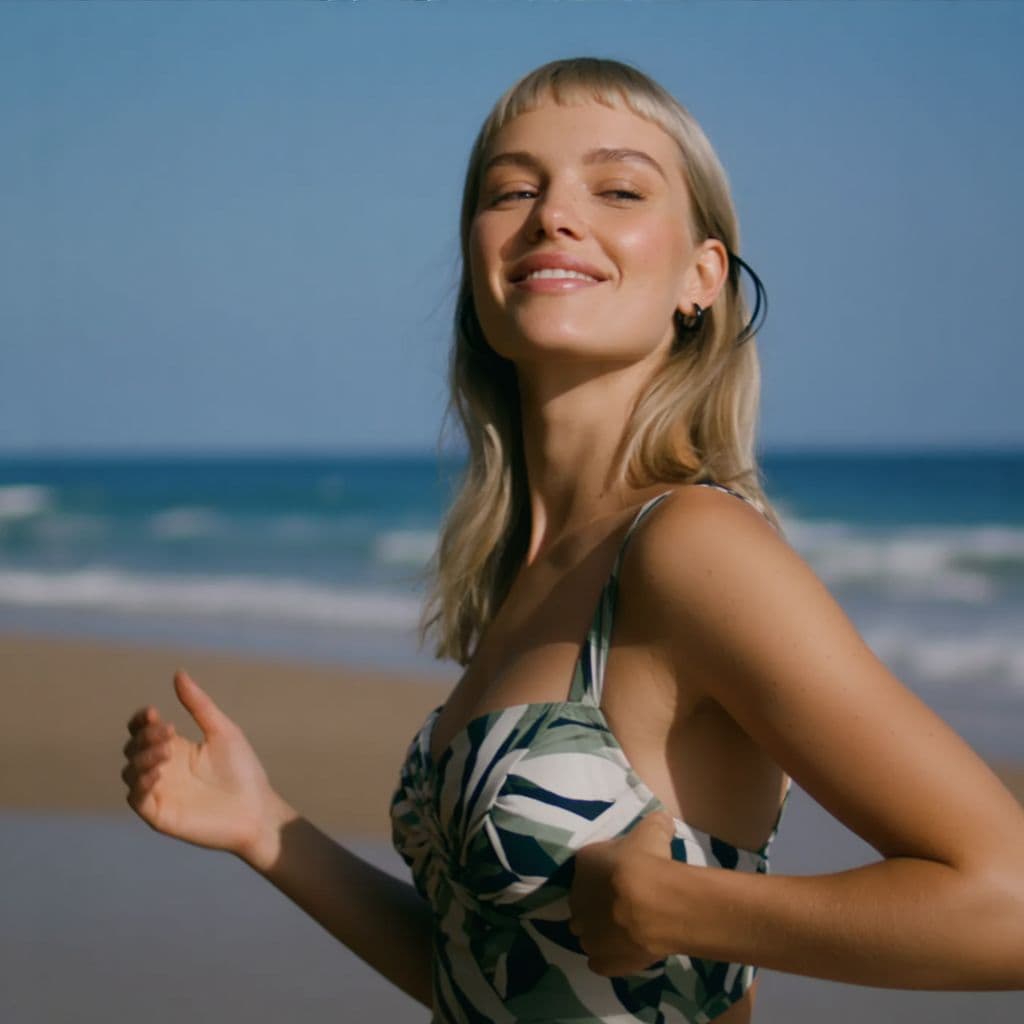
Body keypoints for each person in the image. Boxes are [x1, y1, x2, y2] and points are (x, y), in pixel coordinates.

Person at [121, 58, 1024, 1022]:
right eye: (513, 189)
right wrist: (268, 831)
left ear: (700, 278)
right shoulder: (529, 569)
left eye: (619, 188)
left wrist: (690, 907)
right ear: (476, 262)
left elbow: (1005, 904)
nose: (552, 214)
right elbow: (487, 978)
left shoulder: (690, 547)